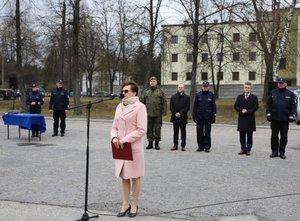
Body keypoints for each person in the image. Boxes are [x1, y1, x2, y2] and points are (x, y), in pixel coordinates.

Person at [111, 81, 147, 218]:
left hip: (133, 147)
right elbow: (114, 126)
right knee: (124, 177)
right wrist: (114, 138)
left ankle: (135, 204)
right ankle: (125, 204)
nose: (123, 93)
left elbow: (142, 129)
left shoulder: (140, 107)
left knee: (135, 177)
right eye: (123, 91)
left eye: (126, 91)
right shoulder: (119, 107)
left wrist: (124, 140)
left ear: (134, 92)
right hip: (119, 146)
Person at [266, 77, 296, 159]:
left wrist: (292, 115)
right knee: (274, 136)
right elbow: (268, 104)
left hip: (285, 119)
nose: (280, 84)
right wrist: (268, 113)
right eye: (279, 83)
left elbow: (293, 106)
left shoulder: (290, 94)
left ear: (285, 84)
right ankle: (274, 152)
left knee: (284, 137)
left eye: (282, 83)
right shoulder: (273, 92)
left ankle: (282, 152)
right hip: (274, 119)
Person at [140, 76, 167, 150]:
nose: (152, 82)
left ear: (156, 82)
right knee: (149, 129)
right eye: (151, 81)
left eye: (154, 81)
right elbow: (141, 102)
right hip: (148, 114)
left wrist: (163, 112)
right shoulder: (146, 92)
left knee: (157, 129)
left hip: (157, 114)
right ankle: (150, 143)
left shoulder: (160, 91)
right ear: (149, 82)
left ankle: (157, 144)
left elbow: (164, 102)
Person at [234, 82, 259, 156]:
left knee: (249, 135)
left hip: (250, 119)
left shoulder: (254, 97)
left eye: (248, 87)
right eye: (245, 87)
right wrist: (241, 110)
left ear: (250, 88)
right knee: (242, 135)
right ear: (243, 88)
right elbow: (235, 106)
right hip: (242, 118)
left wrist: (248, 111)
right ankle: (243, 148)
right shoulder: (239, 97)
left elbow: (256, 107)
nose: (246, 89)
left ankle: (248, 149)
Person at [193, 81, 216, 152]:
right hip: (199, 117)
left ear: (208, 87)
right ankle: (200, 146)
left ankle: (207, 147)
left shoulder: (211, 95)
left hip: (208, 117)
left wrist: (213, 117)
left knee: (207, 132)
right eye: (204, 86)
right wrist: (194, 115)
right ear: (202, 87)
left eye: (206, 86)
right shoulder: (198, 95)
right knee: (199, 132)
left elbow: (214, 107)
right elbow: (195, 106)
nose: (205, 88)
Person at [170, 83, 190, 151]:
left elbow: (187, 107)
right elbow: (171, 106)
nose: (180, 88)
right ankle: (175, 145)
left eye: (181, 87)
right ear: (177, 88)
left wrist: (180, 113)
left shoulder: (187, 97)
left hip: (183, 117)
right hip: (175, 117)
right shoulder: (173, 96)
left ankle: (183, 145)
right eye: (179, 87)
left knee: (183, 132)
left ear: (184, 88)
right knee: (175, 132)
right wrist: (175, 113)